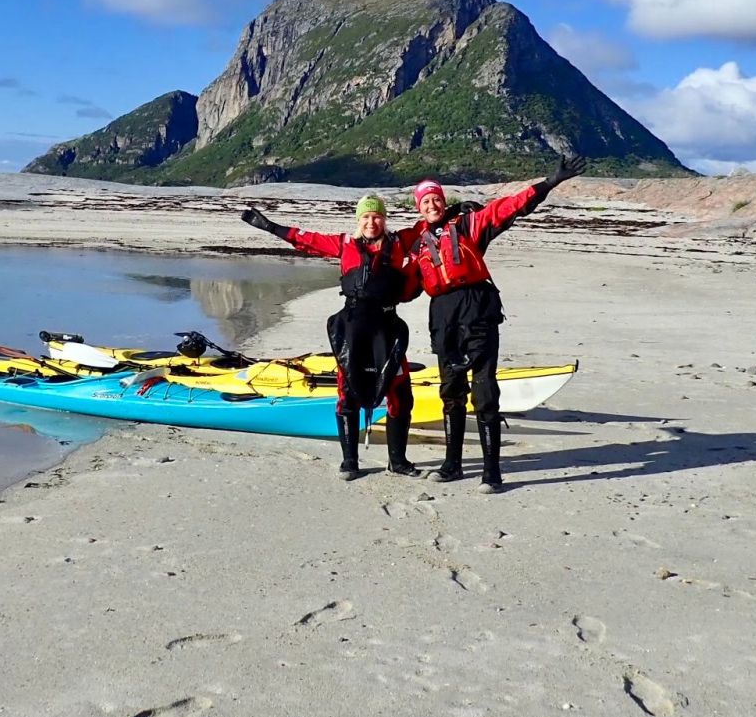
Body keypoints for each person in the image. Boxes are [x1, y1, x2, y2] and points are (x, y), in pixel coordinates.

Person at [408, 155, 587, 491]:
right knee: (451, 390)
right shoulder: (415, 241)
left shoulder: (469, 224)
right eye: (425, 201)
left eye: (436, 199)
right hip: (443, 315)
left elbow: (509, 207)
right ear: (419, 208)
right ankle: (452, 465)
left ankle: (492, 472)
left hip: (477, 309)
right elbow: (393, 269)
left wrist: (551, 182)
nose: (432, 205)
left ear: (444, 201)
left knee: (485, 390)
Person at [241, 194, 422, 481]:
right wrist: (271, 227)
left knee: (400, 394)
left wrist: (454, 212)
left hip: (387, 329)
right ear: (358, 220)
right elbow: (306, 240)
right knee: (347, 394)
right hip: (352, 330)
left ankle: (397, 461)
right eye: (366, 217)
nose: (371, 222)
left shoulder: (400, 242)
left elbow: (430, 223)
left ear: (384, 219)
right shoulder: (344, 244)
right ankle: (350, 461)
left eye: (377, 217)